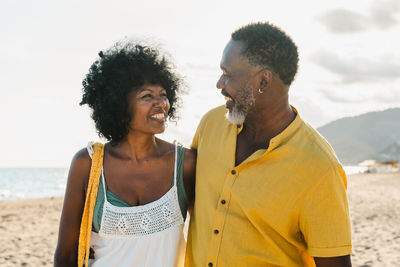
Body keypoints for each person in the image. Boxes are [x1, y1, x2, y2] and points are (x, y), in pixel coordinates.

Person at [185, 22, 352, 267]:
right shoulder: (210, 125)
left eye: (228, 74)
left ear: (263, 81)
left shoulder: (320, 168)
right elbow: (193, 201)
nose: (220, 84)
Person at [54, 41, 196, 266]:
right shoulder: (88, 164)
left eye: (163, 94)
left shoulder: (186, 163)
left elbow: (212, 233)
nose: (161, 103)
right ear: (120, 106)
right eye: (147, 96)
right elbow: (65, 256)